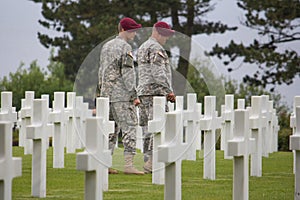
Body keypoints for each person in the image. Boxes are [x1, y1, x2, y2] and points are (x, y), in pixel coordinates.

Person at [98, 17, 144, 175]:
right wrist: (134, 95)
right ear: (124, 29)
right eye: (133, 30)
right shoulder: (125, 47)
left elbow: (101, 71)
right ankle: (129, 165)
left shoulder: (106, 46)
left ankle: (105, 163)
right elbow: (128, 73)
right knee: (130, 126)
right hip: (121, 95)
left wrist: (101, 92)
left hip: (106, 95)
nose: (135, 33)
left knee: (110, 130)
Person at [136, 21, 176, 173]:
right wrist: (168, 91)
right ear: (159, 33)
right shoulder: (155, 47)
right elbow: (158, 72)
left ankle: (148, 160)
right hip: (155, 93)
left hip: (144, 92)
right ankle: (152, 162)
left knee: (147, 128)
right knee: (157, 127)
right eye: (165, 35)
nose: (166, 39)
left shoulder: (143, 46)